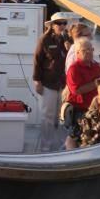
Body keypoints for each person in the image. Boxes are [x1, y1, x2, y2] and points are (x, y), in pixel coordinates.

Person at [33, 12, 69, 151]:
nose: (62, 26)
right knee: (47, 116)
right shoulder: (44, 40)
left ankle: (61, 142)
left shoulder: (68, 40)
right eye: (59, 23)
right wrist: (37, 82)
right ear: (52, 25)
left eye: (64, 23)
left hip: (63, 84)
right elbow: (37, 61)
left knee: (62, 115)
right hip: (48, 83)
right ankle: (46, 143)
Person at [65, 38, 100, 115]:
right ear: (77, 53)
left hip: (96, 108)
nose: (89, 52)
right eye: (84, 50)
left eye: (91, 49)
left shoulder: (95, 66)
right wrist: (97, 83)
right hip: (80, 110)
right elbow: (76, 91)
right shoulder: (74, 69)